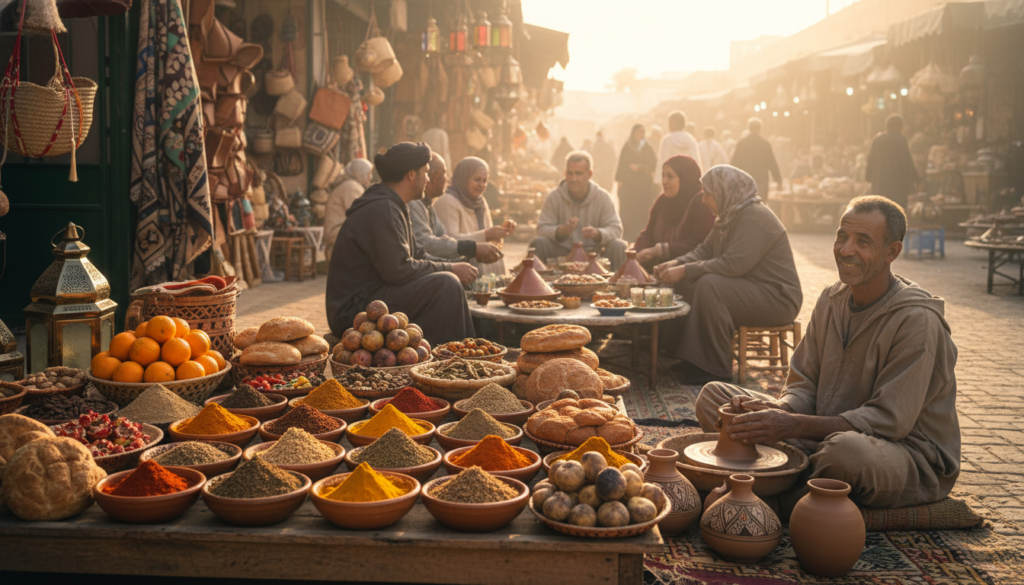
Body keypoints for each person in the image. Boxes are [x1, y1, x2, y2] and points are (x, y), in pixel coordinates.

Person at [694, 196, 959, 511]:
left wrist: (791, 426)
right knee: (715, 398)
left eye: (862, 241)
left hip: (904, 455)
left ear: (892, 252)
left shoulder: (918, 321)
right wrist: (778, 410)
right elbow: (803, 383)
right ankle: (779, 482)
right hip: (821, 432)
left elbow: (889, 422)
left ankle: (771, 499)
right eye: (841, 237)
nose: (846, 250)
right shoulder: (831, 300)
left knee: (844, 454)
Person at [655, 165, 802, 384]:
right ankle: (693, 359)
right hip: (751, 289)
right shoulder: (728, 216)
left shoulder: (754, 218)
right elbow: (704, 251)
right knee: (690, 281)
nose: (704, 200)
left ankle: (716, 368)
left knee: (710, 285)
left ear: (725, 191)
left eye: (708, 194)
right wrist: (676, 263)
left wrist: (685, 270)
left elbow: (734, 265)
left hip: (778, 298)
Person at [326, 142, 478, 343]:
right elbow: (399, 270)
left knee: (449, 280)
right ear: (411, 175)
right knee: (446, 285)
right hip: (353, 310)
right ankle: (451, 355)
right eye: (426, 172)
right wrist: (450, 269)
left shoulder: (394, 205)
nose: (428, 179)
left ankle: (466, 350)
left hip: (375, 294)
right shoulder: (383, 208)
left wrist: (456, 265)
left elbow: (418, 255)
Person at [532, 151, 628, 269]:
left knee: (619, 246)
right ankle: (538, 280)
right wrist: (561, 231)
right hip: (562, 252)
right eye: (570, 173)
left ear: (589, 174)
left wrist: (598, 233)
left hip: (594, 253)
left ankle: (616, 280)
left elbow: (616, 230)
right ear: (565, 173)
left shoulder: (603, 197)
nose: (573, 178)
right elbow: (541, 229)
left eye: (579, 174)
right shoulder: (554, 197)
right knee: (538, 243)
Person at [408, 153, 503, 266]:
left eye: (484, 181)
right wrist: (474, 248)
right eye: (444, 173)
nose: (447, 179)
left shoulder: (428, 207)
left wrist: (471, 256)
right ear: (433, 177)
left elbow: (445, 241)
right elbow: (427, 246)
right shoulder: (415, 205)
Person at [432, 156, 513, 277]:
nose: (481, 185)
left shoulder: (480, 202)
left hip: (474, 256)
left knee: (497, 259)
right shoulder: (447, 202)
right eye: (477, 179)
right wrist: (486, 234)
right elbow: (449, 242)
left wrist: (501, 232)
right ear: (464, 178)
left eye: (484, 181)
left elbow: (489, 242)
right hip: (454, 262)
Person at [634, 155, 715, 271]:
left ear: (686, 178)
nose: (664, 181)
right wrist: (638, 252)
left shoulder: (701, 203)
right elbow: (648, 234)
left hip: (688, 270)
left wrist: (661, 250)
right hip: (657, 268)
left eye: (670, 176)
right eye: (663, 176)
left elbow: (702, 244)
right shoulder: (662, 201)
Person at [323, 158, 373, 263]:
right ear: (360, 172)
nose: (370, 177)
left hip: (339, 231)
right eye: (368, 173)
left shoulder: (349, 185)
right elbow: (361, 215)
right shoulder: (352, 186)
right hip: (338, 232)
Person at [615, 124, 658, 242]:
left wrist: (641, 167)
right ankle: (628, 237)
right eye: (638, 132)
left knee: (642, 210)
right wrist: (619, 183)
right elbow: (621, 165)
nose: (640, 135)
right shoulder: (628, 146)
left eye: (642, 132)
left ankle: (641, 236)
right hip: (629, 185)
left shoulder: (647, 147)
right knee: (628, 210)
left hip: (643, 186)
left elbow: (653, 164)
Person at [865, 114, 918, 209]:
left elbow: (870, 162)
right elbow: (907, 163)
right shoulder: (900, 141)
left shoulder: (876, 140)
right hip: (897, 191)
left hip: (879, 189)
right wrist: (917, 180)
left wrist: (868, 178)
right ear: (900, 127)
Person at [730, 117, 782, 199]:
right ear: (760, 129)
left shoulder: (742, 143)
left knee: (745, 204)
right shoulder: (765, 144)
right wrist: (778, 180)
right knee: (760, 203)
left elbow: (734, 163)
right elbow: (772, 163)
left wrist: (731, 180)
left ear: (748, 128)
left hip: (745, 180)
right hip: (761, 181)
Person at [657, 111, 702, 183]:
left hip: (671, 180)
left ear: (672, 123)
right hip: (689, 179)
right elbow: (696, 160)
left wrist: (659, 180)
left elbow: (663, 161)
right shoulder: (690, 139)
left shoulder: (667, 140)